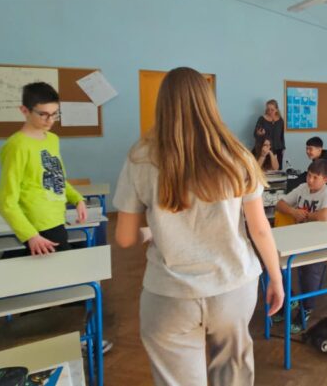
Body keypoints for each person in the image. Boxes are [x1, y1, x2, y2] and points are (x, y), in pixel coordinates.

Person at [113, 67, 284, 386]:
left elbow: (124, 237)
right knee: (233, 376)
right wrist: (276, 277)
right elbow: (260, 229)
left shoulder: (141, 157)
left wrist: (153, 230)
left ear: (163, 104)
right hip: (233, 285)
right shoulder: (237, 155)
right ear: (208, 102)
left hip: (170, 295)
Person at [0, 82, 87, 256]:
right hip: (37, 225)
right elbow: (6, 202)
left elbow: (57, 178)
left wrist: (77, 199)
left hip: (56, 217)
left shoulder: (52, 139)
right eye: (43, 114)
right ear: (24, 110)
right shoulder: (17, 146)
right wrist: (30, 235)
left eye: (55, 114)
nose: (50, 120)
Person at [275, 159, 327, 320]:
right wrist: (293, 212)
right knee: (275, 262)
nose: (310, 180)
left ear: (325, 180)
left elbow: (325, 216)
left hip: (320, 241)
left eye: (315, 177)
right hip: (299, 237)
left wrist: (306, 215)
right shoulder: (302, 188)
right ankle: (289, 299)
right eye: (309, 175)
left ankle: (306, 307)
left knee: (310, 269)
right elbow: (280, 204)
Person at [253, 99, 285, 166]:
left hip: (278, 149)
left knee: (277, 169)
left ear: (276, 110)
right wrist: (259, 133)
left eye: (272, 110)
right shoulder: (261, 119)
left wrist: (283, 147)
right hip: (265, 149)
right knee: (263, 168)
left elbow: (281, 135)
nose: (269, 111)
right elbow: (255, 134)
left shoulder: (280, 121)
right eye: (268, 109)